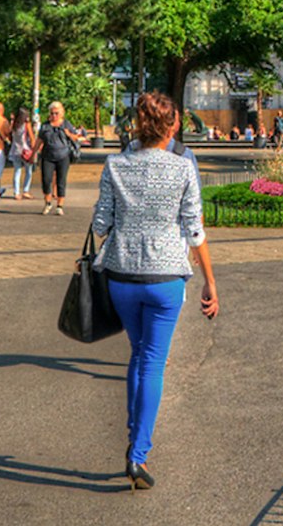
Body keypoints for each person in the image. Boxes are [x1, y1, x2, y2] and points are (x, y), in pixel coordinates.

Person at [92, 91, 218, 490]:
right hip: (166, 279)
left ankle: (134, 431)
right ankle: (138, 454)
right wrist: (211, 282)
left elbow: (100, 224)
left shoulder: (115, 164)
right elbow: (194, 230)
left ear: (138, 125)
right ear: (173, 125)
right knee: (152, 362)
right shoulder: (183, 168)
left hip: (122, 277)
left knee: (137, 352)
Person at [32, 102, 81, 216]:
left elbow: (76, 138)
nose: (54, 116)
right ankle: (48, 203)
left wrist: (68, 134)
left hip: (63, 156)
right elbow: (39, 141)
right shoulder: (45, 126)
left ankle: (60, 206)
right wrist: (33, 153)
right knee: (46, 180)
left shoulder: (66, 124)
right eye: (52, 113)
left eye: (56, 113)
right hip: (47, 156)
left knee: (61, 181)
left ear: (61, 114)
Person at [8, 107, 36, 200]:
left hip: (15, 150)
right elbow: (31, 138)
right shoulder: (26, 125)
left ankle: (16, 192)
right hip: (25, 150)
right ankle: (25, 190)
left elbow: (10, 136)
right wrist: (34, 149)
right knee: (28, 171)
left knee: (17, 172)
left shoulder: (14, 125)